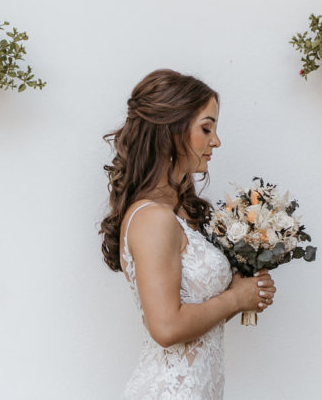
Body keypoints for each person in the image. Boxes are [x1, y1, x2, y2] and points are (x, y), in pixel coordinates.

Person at [100, 69, 276, 399]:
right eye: (206, 128)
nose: (216, 141)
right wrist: (236, 298)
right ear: (172, 131)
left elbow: (193, 308)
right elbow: (166, 328)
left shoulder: (178, 211)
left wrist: (246, 291)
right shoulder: (153, 218)